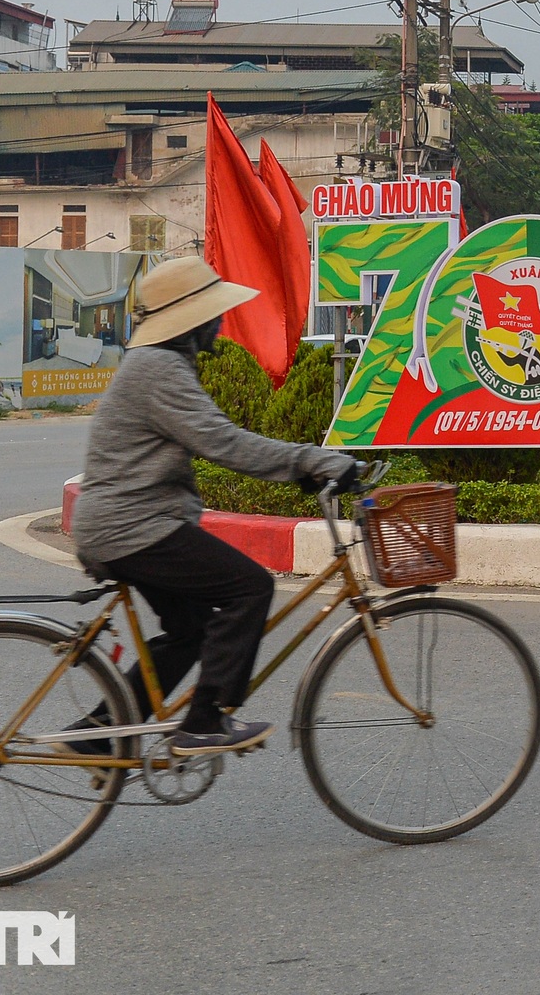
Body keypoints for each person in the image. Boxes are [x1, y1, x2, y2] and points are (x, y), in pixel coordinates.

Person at [71, 257, 359, 757]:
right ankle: (204, 723)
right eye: (213, 314)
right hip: (133, 527)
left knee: (192, 628)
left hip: (126, 525)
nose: (221, 322)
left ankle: (100, 733)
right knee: (250, 587)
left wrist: (300, 468)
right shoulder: (157, 368)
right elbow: (223, 443)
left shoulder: (160, 363)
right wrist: (311, 461)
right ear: (192, 320)